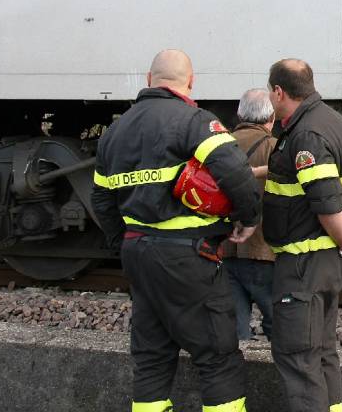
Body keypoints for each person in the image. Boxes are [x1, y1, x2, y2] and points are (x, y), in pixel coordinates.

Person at [90, 49, 261, 412]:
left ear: (149, 81)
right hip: (187, 256)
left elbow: (101, 201)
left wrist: (123, 242)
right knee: (217, 356)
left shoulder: (113, 132)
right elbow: (237, 174)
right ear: (191, 81)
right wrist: (247, 219)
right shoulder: (194, 121)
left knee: (151, 357)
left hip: (137, 254)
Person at [263, 59, 342, 412]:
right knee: (322, 355)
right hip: (322, 264)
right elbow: (314, 180)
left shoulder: (306, 134)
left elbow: (327, 204)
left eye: (270, 92)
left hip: (303, 266)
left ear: (278, 92)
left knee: (299, 360)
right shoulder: (330, 120)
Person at [221, 88, 278, 342]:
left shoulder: (220, 147)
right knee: (280, 326)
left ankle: (238, 377)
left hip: (225, 250)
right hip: (264, 251)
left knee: (235, 333)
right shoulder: (275, 149)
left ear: (239, 114)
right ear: (272, 118)